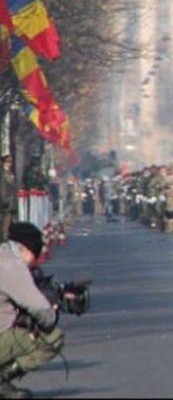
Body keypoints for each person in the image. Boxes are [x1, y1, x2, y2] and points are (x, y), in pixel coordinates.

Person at [0, 223, 64, 399]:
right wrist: (53, 311)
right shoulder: (11, 266)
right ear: (27, 250)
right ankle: (2, 379)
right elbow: (41, 310)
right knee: (52, 338)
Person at [0, 157, 16, 242]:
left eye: (10, 161)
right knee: (5, 220)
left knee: (8, 220)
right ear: (3, 162)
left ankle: (6, 237)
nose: (9, 163)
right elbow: (2, 188)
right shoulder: (3, 173)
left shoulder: (8, 172)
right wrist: (4, 200)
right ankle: (4, 238)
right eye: (7, 162)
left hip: (10, 200)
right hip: (6, 201)